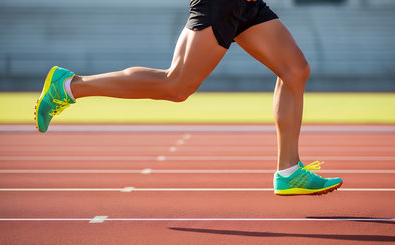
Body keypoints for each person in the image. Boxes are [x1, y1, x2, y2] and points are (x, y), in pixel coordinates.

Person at [34, 0, 342, 195]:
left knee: (295, 70)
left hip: (247, 5)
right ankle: (71, 87)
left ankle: (288, 171)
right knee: (176, 85)